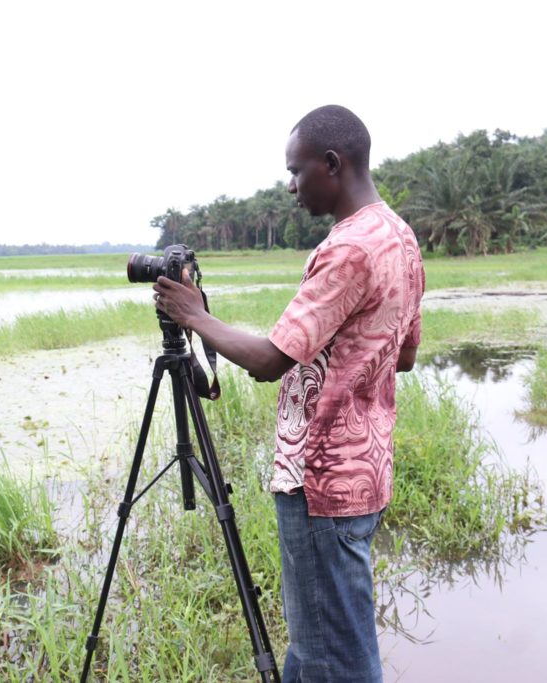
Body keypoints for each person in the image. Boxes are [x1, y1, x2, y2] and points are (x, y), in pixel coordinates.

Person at [153, 104, 424, 682]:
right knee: (321, 639)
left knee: (336, 658)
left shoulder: (348, 248)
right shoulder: (400, 236)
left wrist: (193, 315)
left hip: (320, 480)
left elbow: (271, 361)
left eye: (296, 172)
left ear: (332, 162)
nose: (291, 187)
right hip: (367, 469)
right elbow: (405, 354)